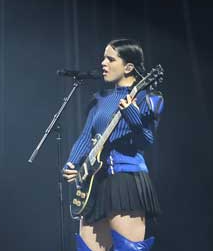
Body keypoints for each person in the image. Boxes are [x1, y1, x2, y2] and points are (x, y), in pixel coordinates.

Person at [61, 39, 164, 251]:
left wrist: (133, 116)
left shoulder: (147, 98)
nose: (103, 63)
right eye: (103, 58)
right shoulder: (101, 99)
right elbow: (86, 136)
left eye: (110, 59)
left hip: (125, 180)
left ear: (128, 67)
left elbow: (146, 141)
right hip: (94, 182)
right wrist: (72, 162)